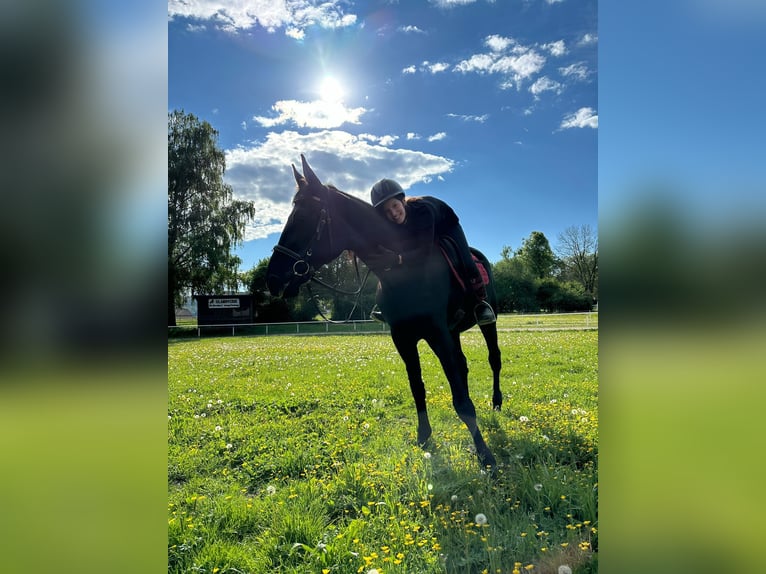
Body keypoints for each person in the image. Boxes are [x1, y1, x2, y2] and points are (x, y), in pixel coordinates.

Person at [367, 178, 496, 326]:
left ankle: (480, 304)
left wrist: (398, 259)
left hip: (447, 226)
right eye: (387, 211)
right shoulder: (391, 222)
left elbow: (424, 251)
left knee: (466, 261)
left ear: (402, 200)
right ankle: (389, 305)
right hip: (422, 230)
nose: (394, 214)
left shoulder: (423, 210)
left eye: (395, 206)